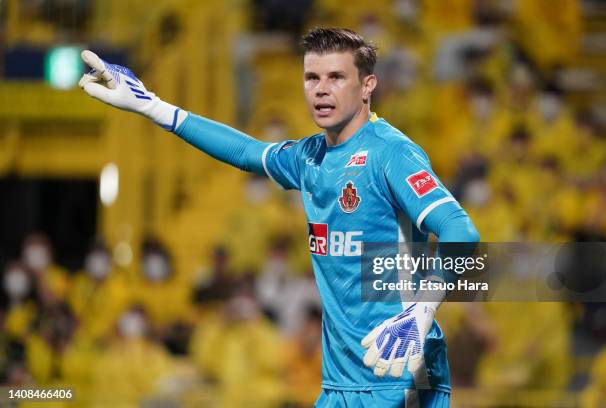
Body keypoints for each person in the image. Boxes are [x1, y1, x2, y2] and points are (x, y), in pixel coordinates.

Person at [78, 27, 479, 407]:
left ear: (367, 86)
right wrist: (154, 106)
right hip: (341, 380)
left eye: (337, 77)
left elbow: (461, 231)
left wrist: (422, 311)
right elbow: (246, 151)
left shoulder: (390, 153)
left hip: (400, 371)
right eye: (312, 78)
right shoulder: (310, 158)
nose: (321, 89)